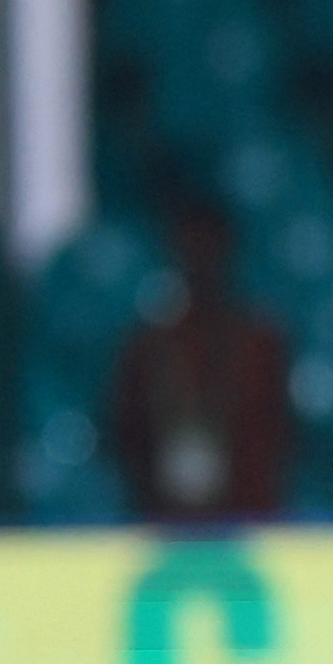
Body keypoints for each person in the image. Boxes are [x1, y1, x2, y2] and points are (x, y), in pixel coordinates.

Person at [108, 198, 291, 521]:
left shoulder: (259, 343)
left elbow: (279, 438)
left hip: (245, 518)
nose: (201, 262)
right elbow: (126, 438)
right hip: (164, 519)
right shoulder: (149, 346)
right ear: (175, 256)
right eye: (191, 250)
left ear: (228, 255)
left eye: (209, 250)